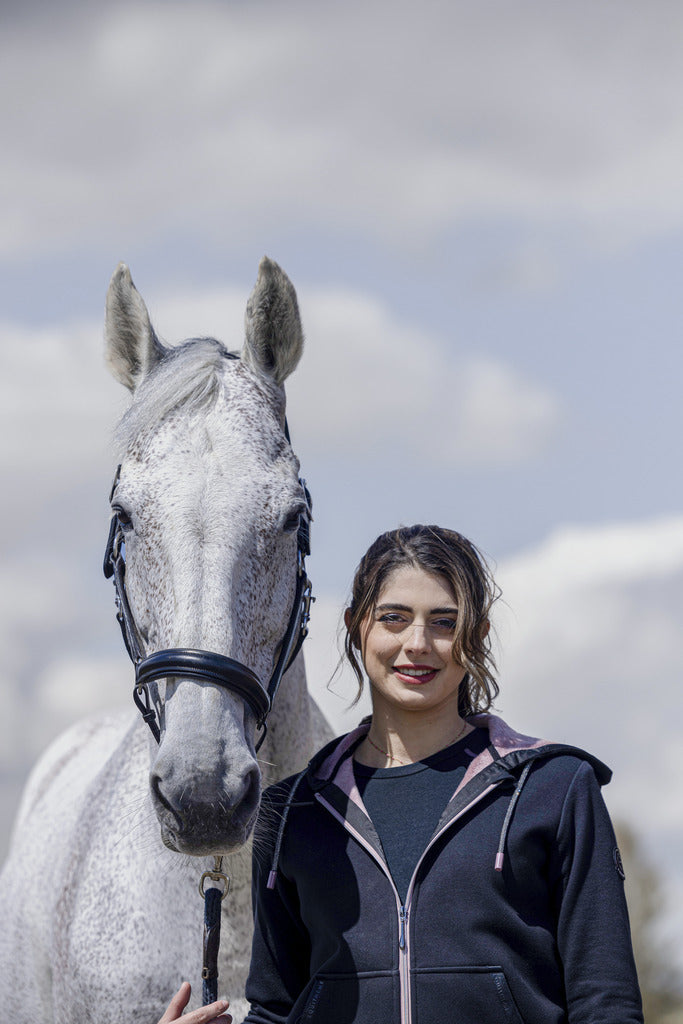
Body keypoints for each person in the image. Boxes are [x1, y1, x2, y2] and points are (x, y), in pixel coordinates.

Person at [161, 524, 643, 1024]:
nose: (417, 643)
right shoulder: (292, 814)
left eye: (443, 622)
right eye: (393, 618)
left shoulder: (554, 787)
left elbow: (606, 1005)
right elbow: (277, 1011)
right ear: (356, 626)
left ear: (475, 636)